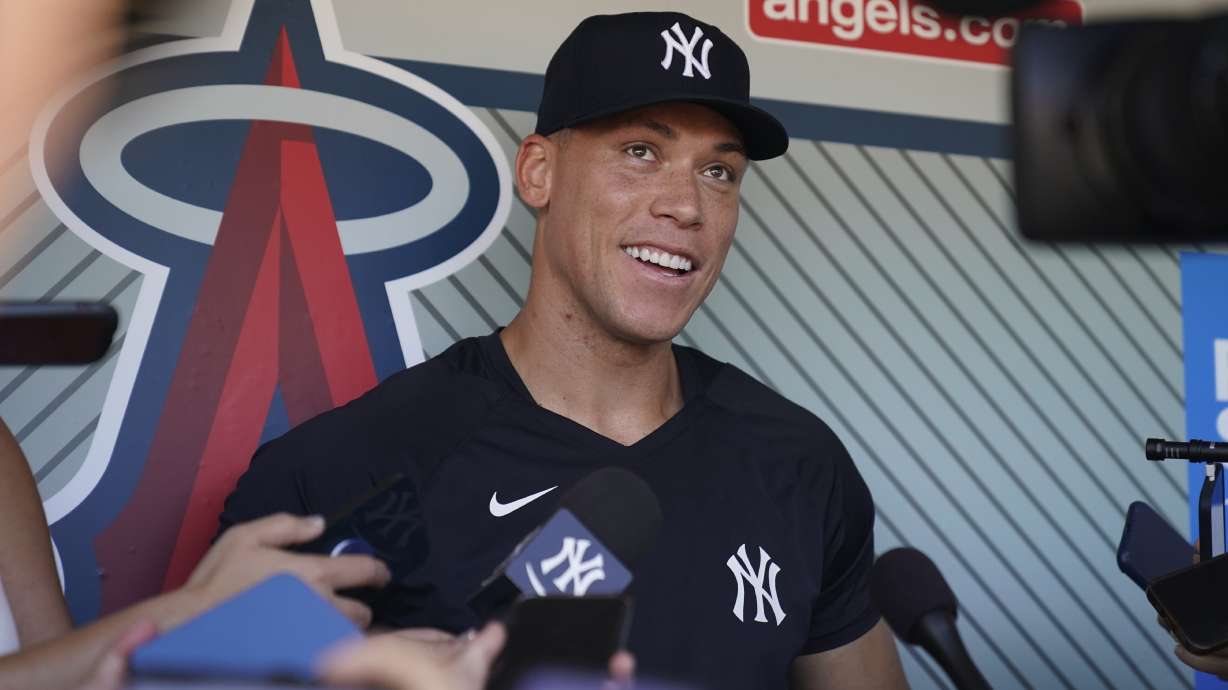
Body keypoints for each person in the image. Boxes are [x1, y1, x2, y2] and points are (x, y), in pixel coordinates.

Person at [220, 11, 908, 690]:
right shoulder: (355, 470)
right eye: (641, 152)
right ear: (539, 172)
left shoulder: (798, 463)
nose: (687, 206)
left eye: (719, 172)